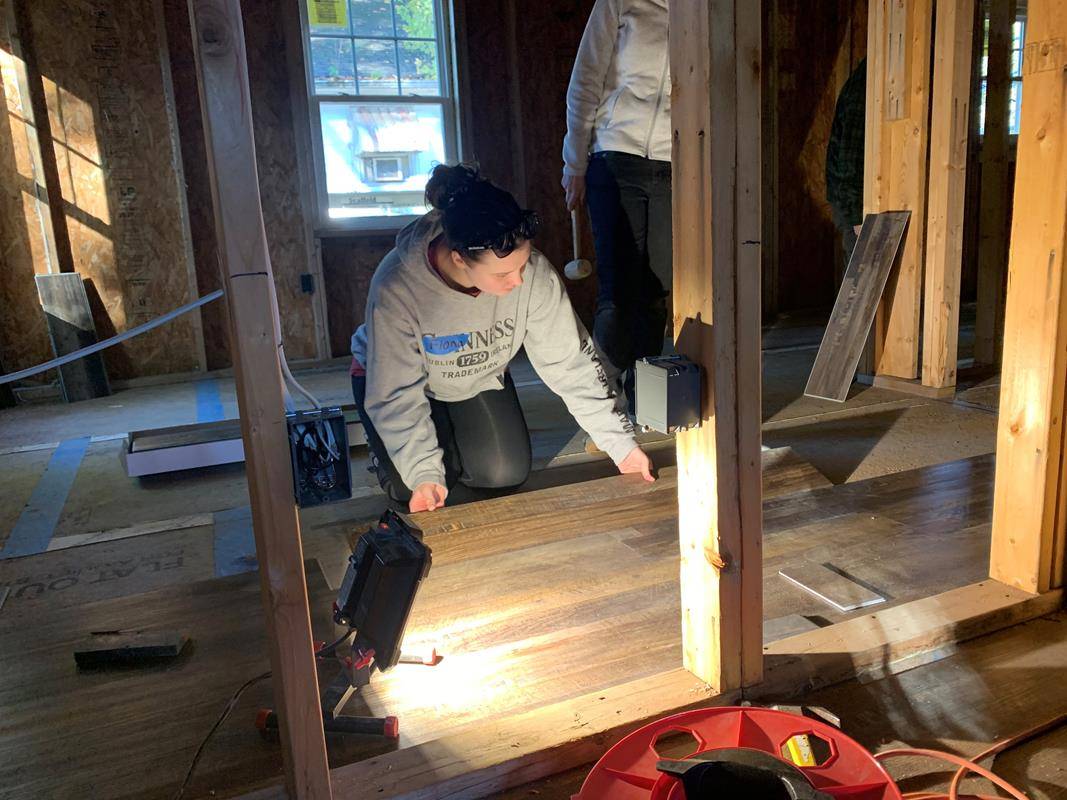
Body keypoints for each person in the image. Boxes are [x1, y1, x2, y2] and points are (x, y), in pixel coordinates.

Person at [351, 164, 655, 514]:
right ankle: (391, 457)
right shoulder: (398, 285)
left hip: (475, 377)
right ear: (459, 259)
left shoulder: (534, 276)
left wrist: (621, 445)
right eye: (502, 273)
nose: (519, 282)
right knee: (418, 485)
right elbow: (396, 393)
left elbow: (570, 363)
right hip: (395, 385)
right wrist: (423, 472)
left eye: (522, 266)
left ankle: (449, 445)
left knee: (503, 473)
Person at [561, 0, 672, 409]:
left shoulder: (704, 12)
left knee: (657, 291)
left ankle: (649, 402)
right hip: (613, 158)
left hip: (675, 163)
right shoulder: (619, 2)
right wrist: (574, 162)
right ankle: (603, 405)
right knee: (619, 290)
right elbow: (585, 80)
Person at [826, 58, 867, 272]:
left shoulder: (865, 84)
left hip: (854, 199)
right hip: (851, 201)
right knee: (856, 283)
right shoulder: (862, 92)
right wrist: (856, 218)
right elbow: (849, 160)